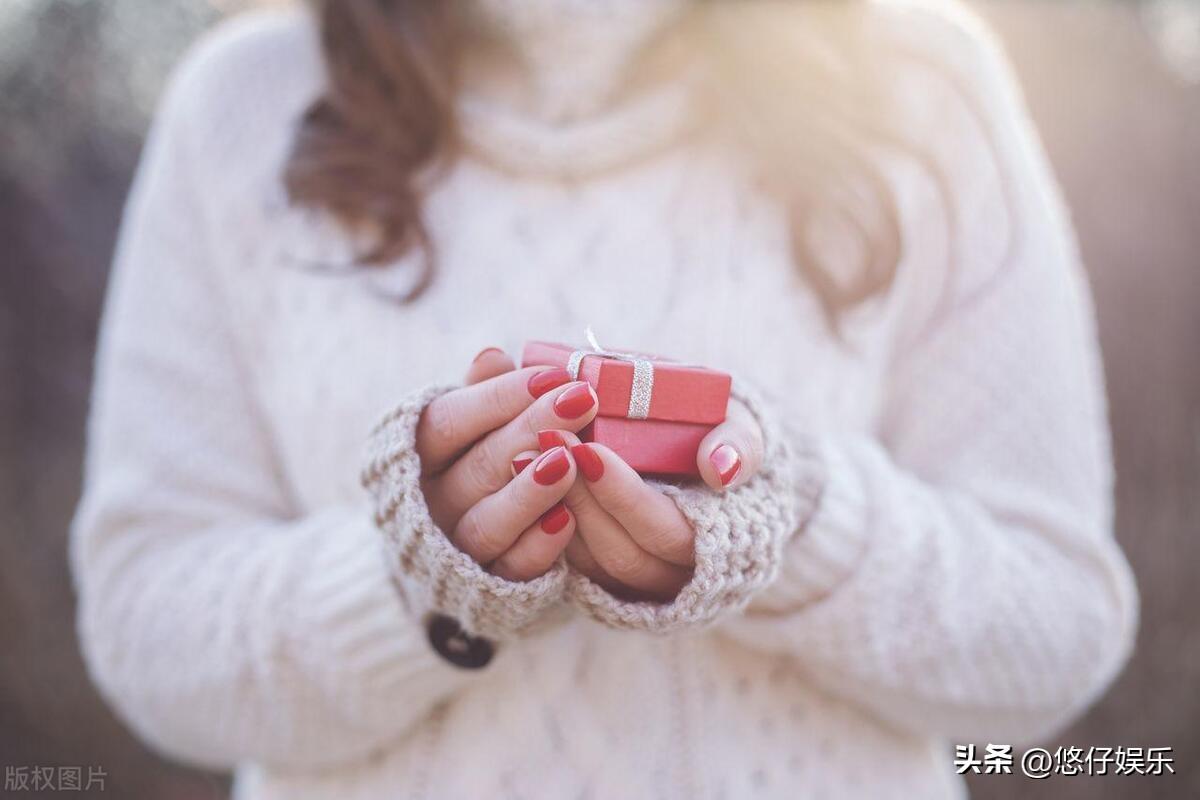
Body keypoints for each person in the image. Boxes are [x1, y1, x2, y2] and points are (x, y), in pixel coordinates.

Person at [70, 1, 1138, 797]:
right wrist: (413, 582)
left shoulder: (923, 84)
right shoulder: (243, 103)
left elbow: (1055, 621)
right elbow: (146, 623)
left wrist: (793, 526)